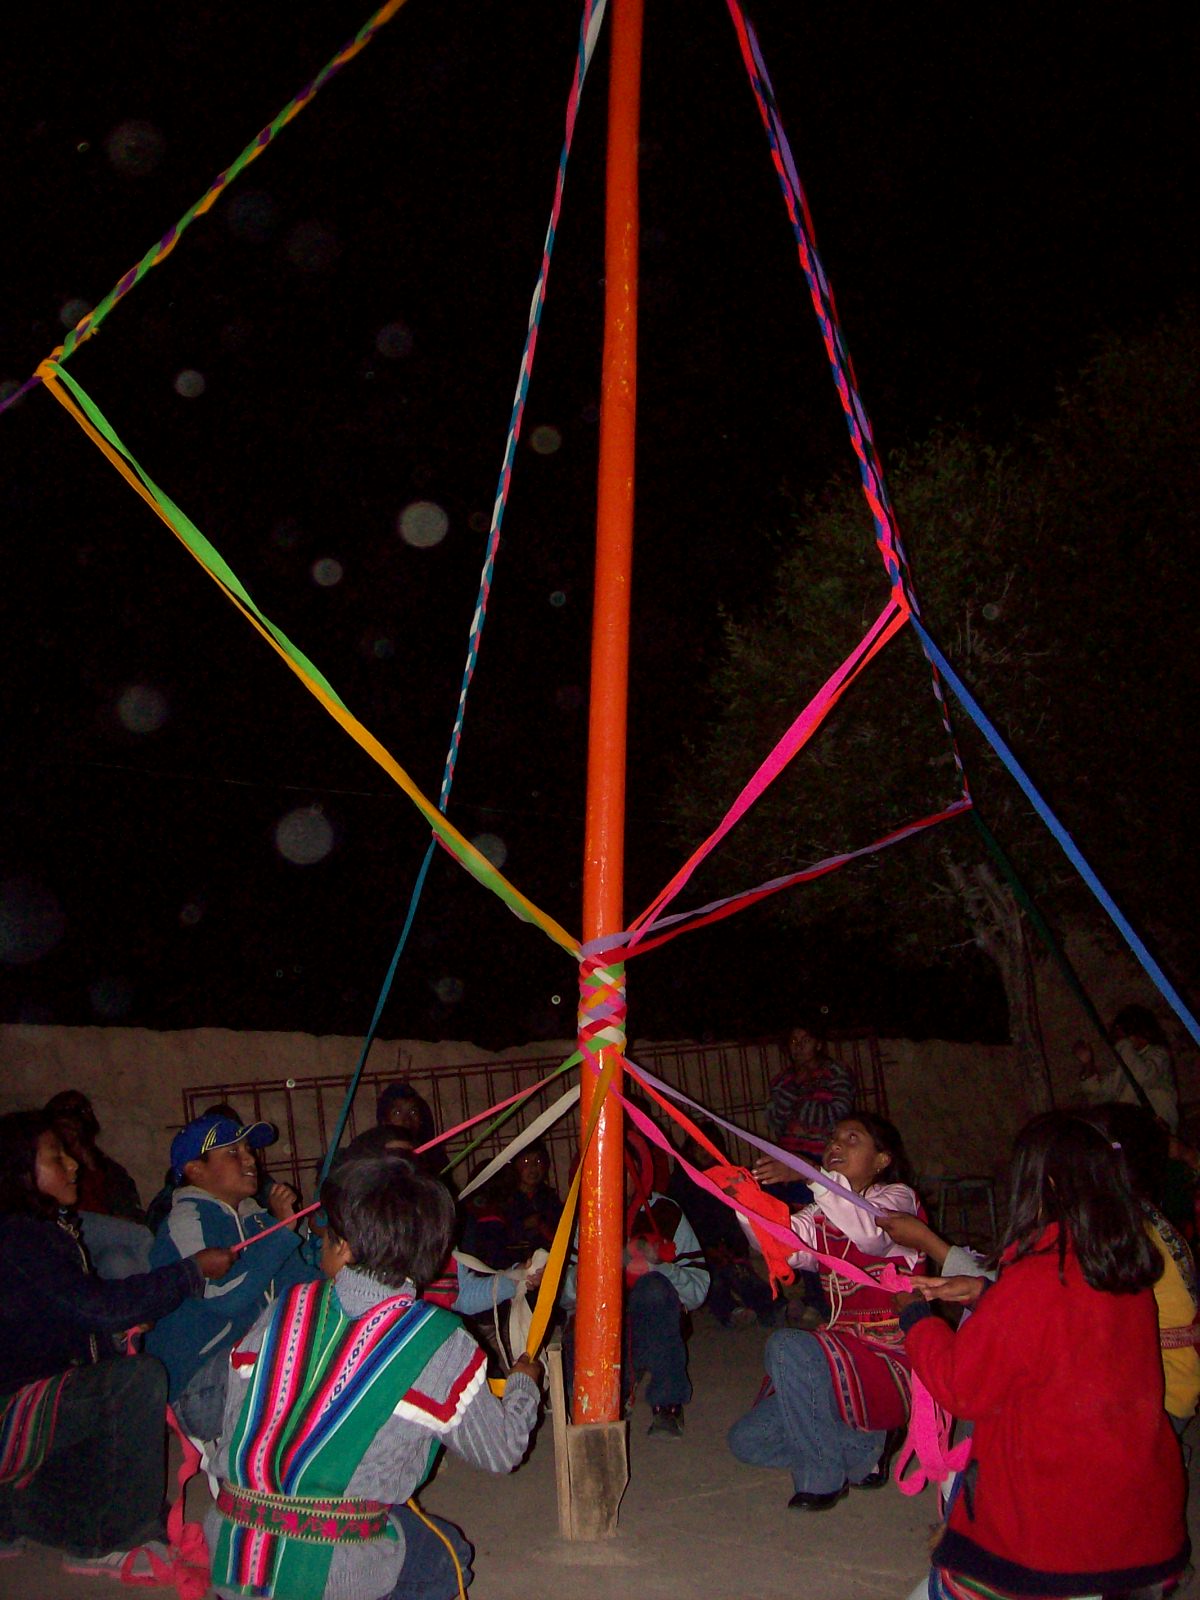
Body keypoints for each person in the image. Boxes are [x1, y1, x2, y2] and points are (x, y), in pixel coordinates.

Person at [205, 1149, 542, 1600]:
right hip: (334, 1565)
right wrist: (524, 1382)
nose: (321, 1242)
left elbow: (232, 1424)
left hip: (231, 1548)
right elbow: (502, 1453)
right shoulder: (438, 1340)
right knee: (447, 1554)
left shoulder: (286, 1307)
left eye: (326, 1234)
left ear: (344, 1247)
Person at [898, 1111, 1188, 1600]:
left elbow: (959, 1386)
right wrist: (987, 1295)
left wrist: (915, 1321)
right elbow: (1066, 1334)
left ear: (1045, 1182)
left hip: (1051, 1550)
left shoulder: (1038, 1280)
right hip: (1143, 1538)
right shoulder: (1122, 1268)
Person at [0, 1110, 233, 1573]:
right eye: (55, 1157)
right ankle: (121, 1538)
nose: (73, 1165)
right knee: (136, 1379)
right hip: (12, 1408)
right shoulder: (17, 1236)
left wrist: (112, 1330)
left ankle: (16, 1517)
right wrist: (191, 1272)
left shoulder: (46, 1232)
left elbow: (74, 1320)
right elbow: (98, 1307)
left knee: (73, 1490)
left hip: (32, 1398)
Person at [727, 1113, 922, 1507]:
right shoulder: (823, 1213)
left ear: (882, 1160)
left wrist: (808, 1175)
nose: (836, 1144)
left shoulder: (897, 1199)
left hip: (891, 1361)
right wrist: (743, 1203)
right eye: (834, 1138)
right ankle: (862, 1446)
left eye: (853, 1139)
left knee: (786, 1346)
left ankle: (822, 1476)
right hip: (843, 1359)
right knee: (746, 1441)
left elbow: (868, 1235)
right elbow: (783, 1244)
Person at [147, 1112, 320, 1442]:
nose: (249, 1159)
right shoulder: (187, 1220)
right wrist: (282, 1233)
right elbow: (224, 1298)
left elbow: (306, 1289)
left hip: (250, 1368)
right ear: (194, 1170)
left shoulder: (257, 1221)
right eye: (232, 1152)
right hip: (200, 1389)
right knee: (291, 1357)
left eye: (249, 1150)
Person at [561, 1129, 710, 1439]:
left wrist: (659, 1268)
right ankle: (610, 1393)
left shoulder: (666, 1213)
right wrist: (603, 1268)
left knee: (653, 1289)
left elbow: (698, 1289)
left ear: (639, 1171)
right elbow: (563, 1293)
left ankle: (668, 1402)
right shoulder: (585, 1218)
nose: (614, 1177)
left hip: (654, 1324)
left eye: (624, 1169)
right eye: (604, 1165)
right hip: (601, 1333)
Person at [667, 1122, 777, 1328]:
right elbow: (681, 1223)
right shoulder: (682, 1181)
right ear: (689, 1148)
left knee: (738, 1271)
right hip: (695, 1248)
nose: (704, 1153)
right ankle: (730, 1312)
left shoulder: (727, 1177)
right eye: (698, 1146)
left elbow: (735, 1218)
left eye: (709, 1147)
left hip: (725, 1245)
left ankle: (772, 1306)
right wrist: (706, 1249)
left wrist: (733, 1247)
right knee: (712, 1277)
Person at [44, 1088, 153, 1278]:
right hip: (66, 1231)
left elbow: (129, 1211)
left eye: (77, 1115)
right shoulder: (49, 1169)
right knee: (140, 1237)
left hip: (105, 1244)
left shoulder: (109, 1170)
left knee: (119, 1262)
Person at [1075, 1002, 1179, 1131]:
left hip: (1157, 1127)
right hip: (1131, 1126)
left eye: (1126, 1033)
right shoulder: (1127, 1062)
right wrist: (1088, 1064)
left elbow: (1143, 1077)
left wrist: (1123, 1043)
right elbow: (1100, 1093)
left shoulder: (1159, 1055)